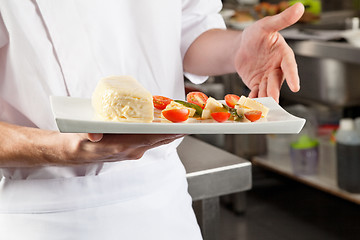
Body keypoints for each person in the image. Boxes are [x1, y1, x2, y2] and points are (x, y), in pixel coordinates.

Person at [0, 1, 304, 239]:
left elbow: (191, 30)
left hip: (164, 204)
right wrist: (59, 149)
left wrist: (238, 47)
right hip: (41, 214)